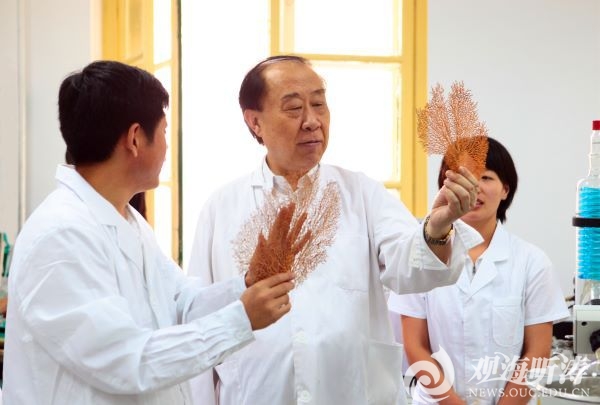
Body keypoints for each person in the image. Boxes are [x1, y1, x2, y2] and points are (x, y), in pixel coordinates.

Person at [187, 55, 484, 405]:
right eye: (294, 108)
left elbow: (413, 270)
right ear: (255, 122)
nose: (312, 121)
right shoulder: (221, 208)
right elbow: (200, 323)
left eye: (319, 104)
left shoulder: (362, 194)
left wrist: (437, 226)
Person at [2, 60, 295, 404]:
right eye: (165, 131)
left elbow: (180, 304)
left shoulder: (127, 220)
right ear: (135, 138)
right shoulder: (61, 235)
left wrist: (244, 285)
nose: (167, 147)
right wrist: (240, 319)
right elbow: (127, 361)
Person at [390, 137, 569, 405]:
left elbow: (537, 352)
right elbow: (416, 347)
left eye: (486, 177)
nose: (474, 188)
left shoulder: (532, 262)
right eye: (465, 177)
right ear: (445, 187)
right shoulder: (417, 256)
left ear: (505, 189)